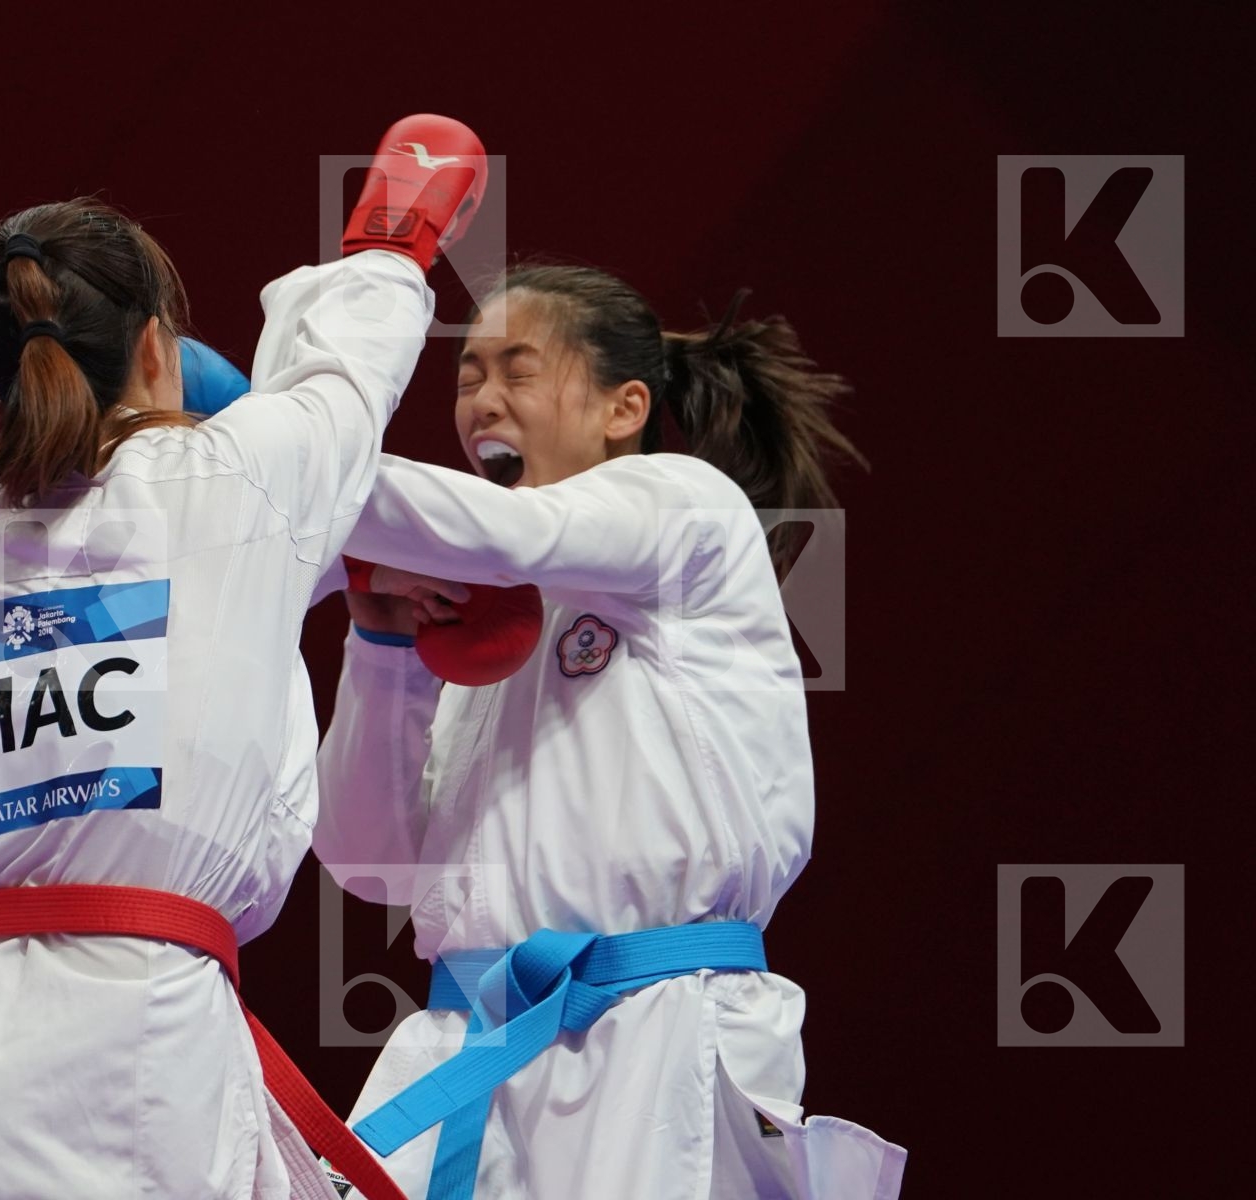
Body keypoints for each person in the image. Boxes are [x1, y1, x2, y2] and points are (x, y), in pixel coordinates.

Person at [0, 114, 487, 1200]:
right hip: (126, 1047)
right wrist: (394, 232)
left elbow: (186, 611)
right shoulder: (227, 483)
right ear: (153, 347)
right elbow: (347, 374)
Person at [312, 265, 908, 1198]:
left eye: (519, 369)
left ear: (624, 407)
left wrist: (294, 459)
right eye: (468, 377)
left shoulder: (686, 509)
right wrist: (381, 642)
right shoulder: (486, 617)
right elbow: (368, 857)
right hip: (469, 1040)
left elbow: (512, 537)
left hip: (653, 1035)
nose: (483, 400)